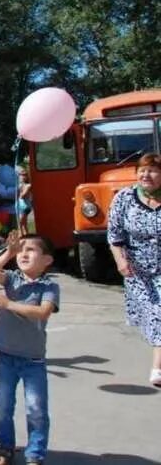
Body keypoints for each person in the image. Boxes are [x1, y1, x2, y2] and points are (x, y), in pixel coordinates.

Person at [0, 230, 59, 465]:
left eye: (31, 250)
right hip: (6, 356)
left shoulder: (49, 287)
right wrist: (8, 252)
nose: (23, 254)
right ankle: (5, 448)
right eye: (21, 250)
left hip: (33, 360)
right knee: (2, 407)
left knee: (35, 409)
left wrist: (8, 304)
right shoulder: (13, 279)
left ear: (47, 260)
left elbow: (42, 312)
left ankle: (35, 454)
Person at [107, 153, 161, 388]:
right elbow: (115, 235)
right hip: (137, 272)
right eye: (142, 170)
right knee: (152, 313)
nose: (146, 175)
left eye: (152, 170)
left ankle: (157, 368)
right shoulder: (124, 198)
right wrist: (120, 261)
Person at [16, 167, 33, 234]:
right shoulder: (19, 185)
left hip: (26, 206)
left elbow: (23, 195)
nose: (23, 177)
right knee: (24, 223)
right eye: (21, 175)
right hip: (20, 206)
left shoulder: (28, 185)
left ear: (27, 176)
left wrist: (20, 192)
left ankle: (21, 235)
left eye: (24, 175)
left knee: (20, 222)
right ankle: (27, 235)